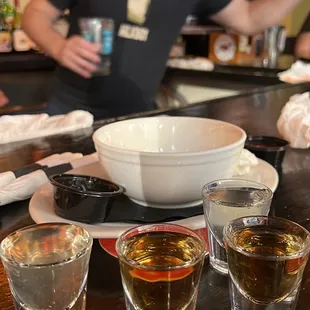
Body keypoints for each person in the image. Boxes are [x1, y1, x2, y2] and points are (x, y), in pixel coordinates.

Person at [22, 0, 302, 119]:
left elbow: (249, 19)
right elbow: (34, 13)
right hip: (71, 111)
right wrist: (59, 46)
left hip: (139, 114)